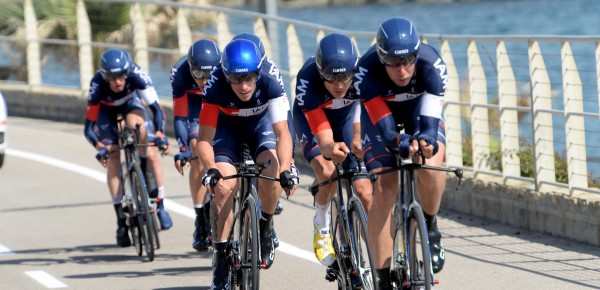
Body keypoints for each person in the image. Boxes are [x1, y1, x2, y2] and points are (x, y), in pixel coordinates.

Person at [196, 39, 298, 289]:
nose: (243, 86)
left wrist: (286, 168)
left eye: (250, 78)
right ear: (226, 74)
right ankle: (220, 258)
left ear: (258, 71)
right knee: (222, 187)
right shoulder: (215, 84)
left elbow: (283, 133)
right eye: (236, 79)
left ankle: (265, 225)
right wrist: (211, 168)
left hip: (259, 127)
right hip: (226, 129)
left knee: (273, 172)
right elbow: (204, 139)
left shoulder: (270, 80)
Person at [355, 17, 448, 288]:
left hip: (419, 112)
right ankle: (383, 277)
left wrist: (426, 141)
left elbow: (430, 126)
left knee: (430, 161)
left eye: (408, 60)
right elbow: (387, 132)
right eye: (394, 62)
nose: (403, 69)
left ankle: (430, 227)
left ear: (417, 54)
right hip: (382, 118)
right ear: (382, 58)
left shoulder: (432, 65)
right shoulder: (366, 72)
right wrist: (400, 141)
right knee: (384, 188)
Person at [292, 33, 373, 272]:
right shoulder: (307, 79)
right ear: (319, 71)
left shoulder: (362, 74)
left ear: (354, 70)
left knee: (364, 190)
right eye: (331, 77)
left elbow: (361, 117)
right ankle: (322, 223)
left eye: (345, 77)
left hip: (349, 117)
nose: (339, 84)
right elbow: (325, 140)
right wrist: (329, 149)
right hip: (313, 119)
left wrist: (358, 141)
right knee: (327, 170)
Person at [84, 48, 172, 247]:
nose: (118, 82)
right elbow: (88, 129)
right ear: (105, 76)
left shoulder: (137, 75)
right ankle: (121, 221)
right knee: (113, 157)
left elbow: (157, 110)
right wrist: (100, 147)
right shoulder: (97, 85)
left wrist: (159, 135)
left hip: (131, 105)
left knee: (143, 139)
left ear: (128, 71)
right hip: (105, 113)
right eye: (112, 77)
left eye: (122, 76)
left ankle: (157, 201)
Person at [231, 32, 290, 216]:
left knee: (273, 166)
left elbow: (284, 124)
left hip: (261, 123)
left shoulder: (270, 74)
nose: (244, 83)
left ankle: (267, 218)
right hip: (233, 123)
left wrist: (289, 165)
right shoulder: (223, 73)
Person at [171, 39, 221, 252]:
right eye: (198, 74)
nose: (203, 80)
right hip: (194, 110)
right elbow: (180, 118)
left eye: (208, 75)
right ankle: (200, 217)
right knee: (197, 150)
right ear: (190, 68)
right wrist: (184, 150)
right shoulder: (180, 73)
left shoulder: (223, 69)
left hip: (218, 105)